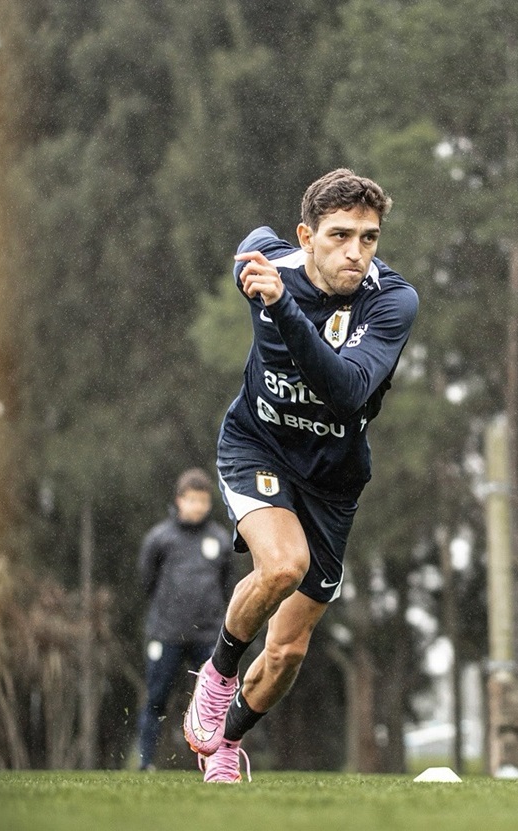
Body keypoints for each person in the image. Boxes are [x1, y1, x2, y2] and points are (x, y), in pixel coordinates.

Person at [182, 169, 418, 783]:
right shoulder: (275, 263)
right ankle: (218, 673)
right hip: (256, 447)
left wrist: (279, 306)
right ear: (306, 236)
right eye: (340, 236)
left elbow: (347, 393)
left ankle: (227, 744)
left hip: (334, 483)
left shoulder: (392, 301)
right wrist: (246, 275)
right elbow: (249, 248)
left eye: (369, 238)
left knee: (288, 650)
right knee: (282, 565)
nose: (355, 253)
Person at [136, 468, 234, 771]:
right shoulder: (159, 538)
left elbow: (229, 588)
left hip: (208, 637)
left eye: (203, 500)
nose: (198, 506)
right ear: (179, 500)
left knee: (214, 706)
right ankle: (146, 763)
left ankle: (215, 763)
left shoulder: (220, 539)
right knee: (156, 699)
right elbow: (146, 582)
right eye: (192, 500)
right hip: (166, 634)